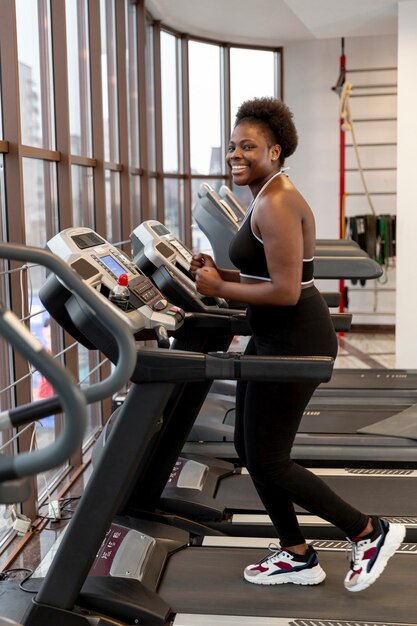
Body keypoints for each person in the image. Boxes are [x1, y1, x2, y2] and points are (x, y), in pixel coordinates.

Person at [190, 96, 405, 592]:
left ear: (276, 151)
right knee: (251, 446)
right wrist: (216, 273)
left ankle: (368, 532)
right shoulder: (264, 194)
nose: (236, 155)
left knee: (268, 458)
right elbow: (263, 272)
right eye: (233, 146)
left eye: (249, 146)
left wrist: (221, 290)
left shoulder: (278, 201)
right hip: (272, 336)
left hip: (293, 338)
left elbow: (286, 291)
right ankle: (296, 554)